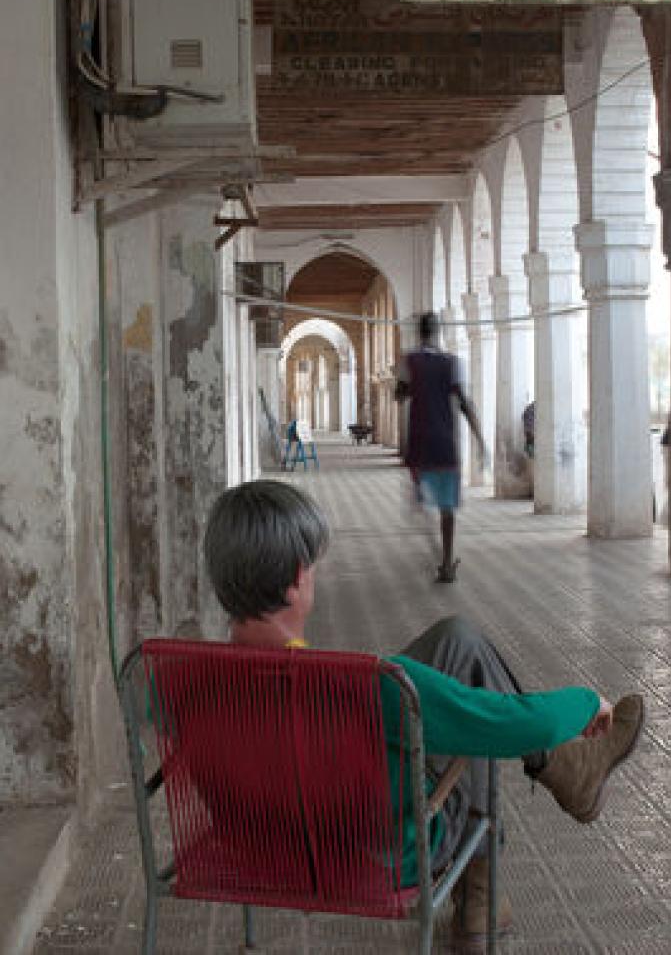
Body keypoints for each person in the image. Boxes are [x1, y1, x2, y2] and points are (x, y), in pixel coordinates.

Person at [203, 479, 645, 951]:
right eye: (313, 567)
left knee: (456, 642)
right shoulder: (363, 686)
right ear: (297, 579)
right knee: (474, 709)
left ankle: (502, 872)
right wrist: (586, 702)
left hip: (259, 851)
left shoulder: (183, 681)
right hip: (380, 854)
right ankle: (537, 810)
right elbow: (516, 724)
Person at [395, 311, 484, 583]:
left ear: (418, 332)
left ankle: (432, 540)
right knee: (448, 508)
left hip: (419, 444)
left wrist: (410, 387)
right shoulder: (452, 362)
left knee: (422, 503)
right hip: (445, 443)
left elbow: (399, 396)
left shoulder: (408, 362)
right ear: (438, 332)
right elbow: (465, 403)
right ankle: (446, 563)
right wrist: (480, 438)